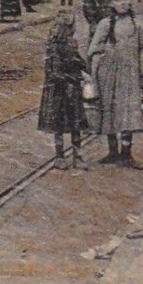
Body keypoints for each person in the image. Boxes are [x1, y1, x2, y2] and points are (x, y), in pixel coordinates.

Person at [87, 0, 143, 167]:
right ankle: (112, 151)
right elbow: (93, 49)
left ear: (130, 0)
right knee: (110, 109)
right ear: (111, 3)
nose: (122, 3)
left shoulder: (138, 23)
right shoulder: (105, 23)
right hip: (109, 74)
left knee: (128, 111)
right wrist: (106, 51)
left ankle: (126, 154)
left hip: (130, 73)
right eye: (117, 0)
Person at [39, 11, 90, 170]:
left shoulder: (71, 43)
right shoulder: (54, 46)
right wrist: (69, 80)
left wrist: (87, 68)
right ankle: (61, 156)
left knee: (74, 124)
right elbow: (53, 71)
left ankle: (76, 156)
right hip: (59, 90)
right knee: (60, 125)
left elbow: (78, 60)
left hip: (71, 87)